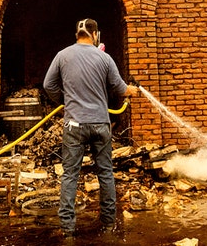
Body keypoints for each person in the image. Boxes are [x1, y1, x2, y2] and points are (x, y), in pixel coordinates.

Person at [43, 18, 138, 237]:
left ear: (77, 34)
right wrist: (131, 91)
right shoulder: (104, 57)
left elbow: (49, 85)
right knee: (105, 173)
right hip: (100, 124)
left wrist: (65, 101)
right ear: (95, 34)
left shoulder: (62, 55)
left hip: (74, 124)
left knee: (70, 175)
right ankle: (108, 224)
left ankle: (67, 228)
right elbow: (119, 88)